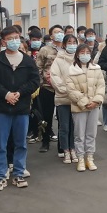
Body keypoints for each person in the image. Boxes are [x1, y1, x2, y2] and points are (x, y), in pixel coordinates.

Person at [0, 26, 40, 192]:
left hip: (22, 108)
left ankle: (19, 173)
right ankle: (0, 176)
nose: (14, 41)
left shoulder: (27, 61)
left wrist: (19, 93)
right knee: (0, 145)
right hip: (1, 108)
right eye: (10, 38)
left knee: (21, 143)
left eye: (16, 37)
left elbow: (34, 81)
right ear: (3, 41)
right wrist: (6, 94)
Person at [66, 43, 105, 171]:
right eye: (82, 53)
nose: (85, 55)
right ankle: (80, 158)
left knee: (91, 133)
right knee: (79, 134)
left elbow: (101, 86)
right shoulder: (71, 70)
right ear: (77, 55)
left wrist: (96, 101)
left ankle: (90, 157)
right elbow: (71, 90)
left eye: (87, 53)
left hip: (94, 106)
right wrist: (84, 102)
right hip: (79, 107)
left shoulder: (96, 68)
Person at [50, 34, 79, 164]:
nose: (72, 45)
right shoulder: (59, 59)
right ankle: (65, 150)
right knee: (64, 126)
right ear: (64, 45)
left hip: (77, 99)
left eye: (74, 42)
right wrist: (67, 90)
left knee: (74, 127)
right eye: (69, 42)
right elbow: (54, 77)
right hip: (63, 98)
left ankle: (73, 149)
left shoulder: (79, 58)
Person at [35, 24, 64, 152]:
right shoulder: (45, 50)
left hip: (63, 89)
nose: (59, 34)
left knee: (63, 117)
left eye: (61, 31)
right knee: (46, 116)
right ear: (51, 36)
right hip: (47, 88)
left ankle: (63, 144)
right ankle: (45, 141)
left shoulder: (67, 49)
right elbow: (38, 68)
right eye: (56, 32)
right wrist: (42, 81)